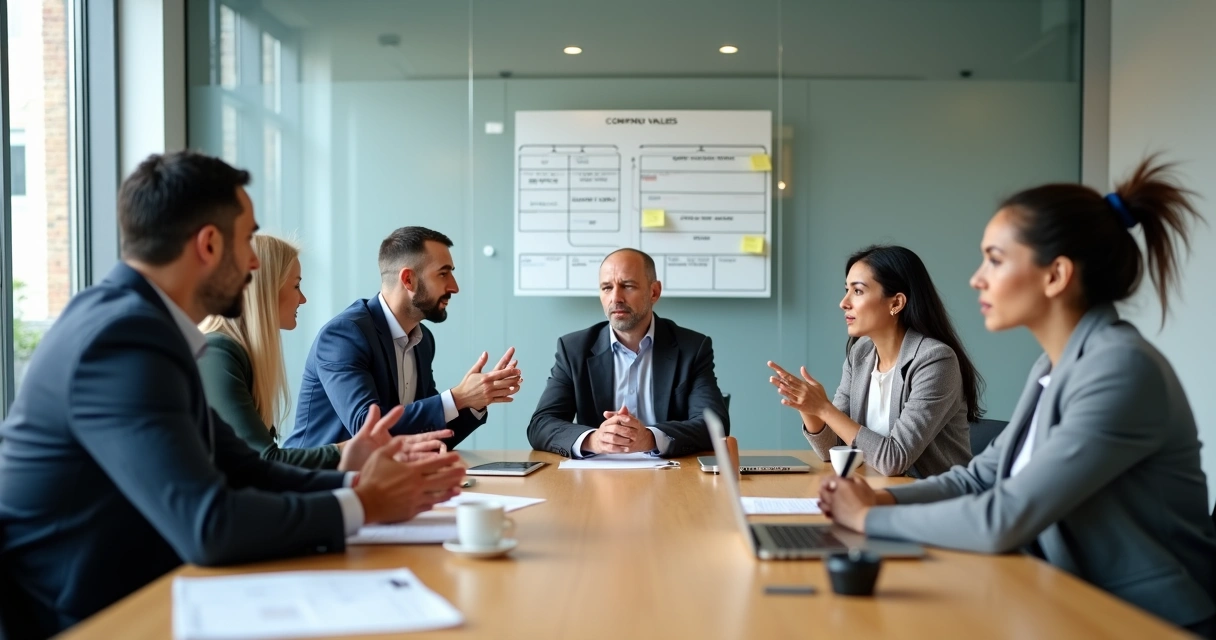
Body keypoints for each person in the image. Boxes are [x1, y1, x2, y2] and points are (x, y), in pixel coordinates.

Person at [0, 152, 467, 638]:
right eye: (247, 240)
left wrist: (358, 484)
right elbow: (210, 526)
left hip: (139, 592)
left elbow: (246, 469)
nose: (252, 261)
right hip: (89, 616)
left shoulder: (148, 327)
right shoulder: (122, 339)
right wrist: (365, 504)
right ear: (207, 244)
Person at [818, 158, 1216, 634]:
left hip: (1138, 619)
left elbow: (1004, 517)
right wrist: (884, 504)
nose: (977, 278)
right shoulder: (1053, 365)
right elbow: (979, 477)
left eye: (996, 259)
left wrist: (868, 520)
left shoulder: (1120, 368)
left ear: (1056, 275)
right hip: (1061, 594)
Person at [199, 236, 451, 469]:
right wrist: (357, 449)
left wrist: (470, 402)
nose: (303, 299)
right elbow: (264, 461)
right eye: (296, 286)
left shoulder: (236, 355)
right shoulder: (218, 354)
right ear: (265, 289)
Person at [286, 226, 522, 450]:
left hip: (381, 479)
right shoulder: (344, 335)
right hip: (318, 483)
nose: (454, 287)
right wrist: (458, 398)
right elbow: (366, 428)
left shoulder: (423, 340)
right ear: (408, 279)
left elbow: (428, 434)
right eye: (443, 274)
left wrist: (474, 402)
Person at [767, 245, 981, 477]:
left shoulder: (935, 361)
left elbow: (894, 460)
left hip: (933, 502)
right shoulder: (861, 354)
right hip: (876, 494)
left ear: (896, 303)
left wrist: (823, 408)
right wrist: (808, 407)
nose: (844, 302)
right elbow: (833, 449)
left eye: (857, 291)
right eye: (846, 290)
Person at [528, 248, 729, 458]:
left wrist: (650, 438)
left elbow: (714, 425)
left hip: (672, 477)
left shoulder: (692, 348)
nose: (616, 297)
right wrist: (594, 439)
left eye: (628, 286)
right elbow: (541, 425)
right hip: (595, 479)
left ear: (654, 292)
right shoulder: (574, 349)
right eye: (607, 287)